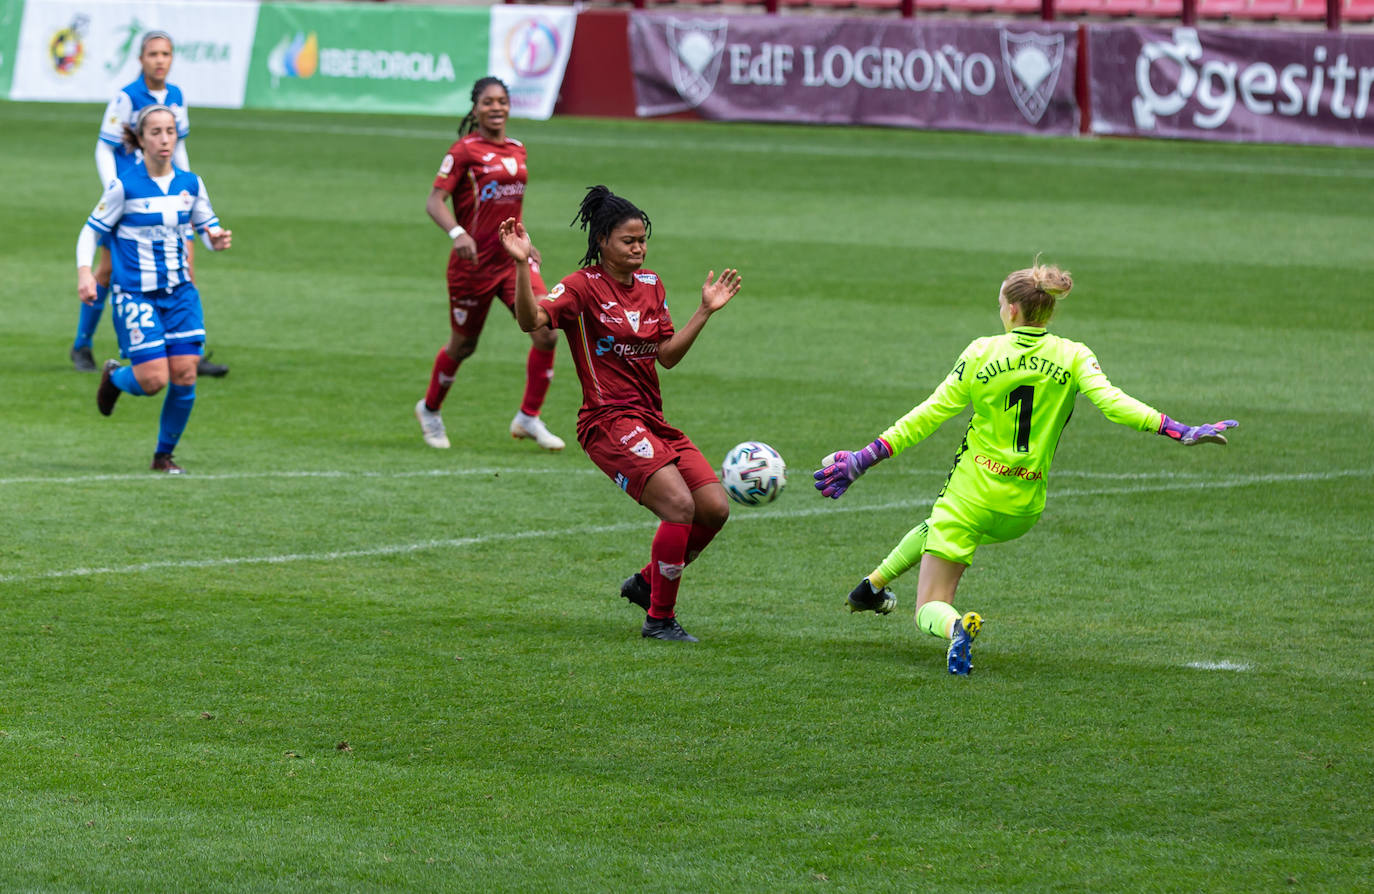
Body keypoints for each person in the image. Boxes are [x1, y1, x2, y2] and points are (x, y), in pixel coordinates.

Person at [814, 261, 1237, 674]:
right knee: (932, 524)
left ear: (1012, 309)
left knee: (929, 605)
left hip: (971, 497)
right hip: (1024, 507)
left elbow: (927, 415)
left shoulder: (982, 352)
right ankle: (870, 587)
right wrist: (1177, 429)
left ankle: (955, 628)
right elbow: (1113, 403)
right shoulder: (1073, 355)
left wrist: (863, 459)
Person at [497, 187, 743, 642]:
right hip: (607, 422)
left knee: (713, 508)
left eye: (642, 240)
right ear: (603, 241)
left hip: (651, 419)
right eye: (628, 240)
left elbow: (666, 356)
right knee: (679, 506)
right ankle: (660, 619)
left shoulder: (652, 285)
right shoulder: (580, 287)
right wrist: (519, 264)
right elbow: (531, 322)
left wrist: (704, 312)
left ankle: (648, 582)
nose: (638, 248)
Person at [76, 104, 233, 473]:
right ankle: (115, 378)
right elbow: (90, 231)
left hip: (180, 294)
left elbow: (206, 227)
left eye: (170, 131)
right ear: (141, 140)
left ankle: (163, 455)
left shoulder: (190, 184)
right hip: (136, 295)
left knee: (185, 373)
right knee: (153, 380)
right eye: (156, 132)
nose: (164, 139)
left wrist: (216, 240)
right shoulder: (123, 187)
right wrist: (86, 272)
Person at [414, 76, 563, 452]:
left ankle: (528, 417)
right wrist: (457, 234)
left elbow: (511, 207)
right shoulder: (464, 151)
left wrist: (526, 244)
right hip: (473, 266)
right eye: (488, 102)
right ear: (475, 109)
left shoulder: (518, 149)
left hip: (512, 262)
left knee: (546, 331)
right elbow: (434, 202)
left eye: (502, 101)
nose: (496, 108)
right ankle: (430, 409)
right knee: (463, 347)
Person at [73, 30, 228, 379]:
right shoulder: (127, 98)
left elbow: (180, 146)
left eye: (166, 54)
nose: (160, 60)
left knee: (184, 265)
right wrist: (114, 188)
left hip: (171, 195)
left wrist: (185, 186)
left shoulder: (176, 96)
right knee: (107, 271)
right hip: (132, 199)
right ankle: (82, 343)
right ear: (141, 59)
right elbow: (104, 146)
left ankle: (187, 348)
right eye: (153, 54)